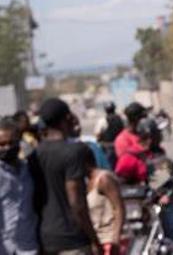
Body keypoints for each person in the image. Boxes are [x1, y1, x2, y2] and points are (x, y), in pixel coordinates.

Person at [34, 98, 100, 255]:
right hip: (72, 239)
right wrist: (94, 238)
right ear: (67, 118)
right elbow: (76, 202)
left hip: (45, 238)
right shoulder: (73, 152)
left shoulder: (34, 155)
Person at [115, 118, 173, 250]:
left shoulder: (158, 153)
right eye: (156, 133)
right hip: (143, 209)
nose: (160, 137)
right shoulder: (130, 157)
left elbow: (166, 182)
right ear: (149, 136)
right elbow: (120, 183)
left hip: (159, 205)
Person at [0, 117, 39, 255]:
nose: (7, 148)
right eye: (2, 144)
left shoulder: (28, 170)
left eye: (11, 143)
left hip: (28, 246)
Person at [85, 150, 124, 255]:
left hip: (109, 240)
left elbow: (119, 208)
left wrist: (116, 240)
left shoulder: (104, 179)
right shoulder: (86, 182)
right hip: (98, 240)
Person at [94, 102, 124, 168]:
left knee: (109, 166)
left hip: (107, 146)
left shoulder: (102, 120)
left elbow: (97, 134)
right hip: (120, 145)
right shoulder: (121, 119)